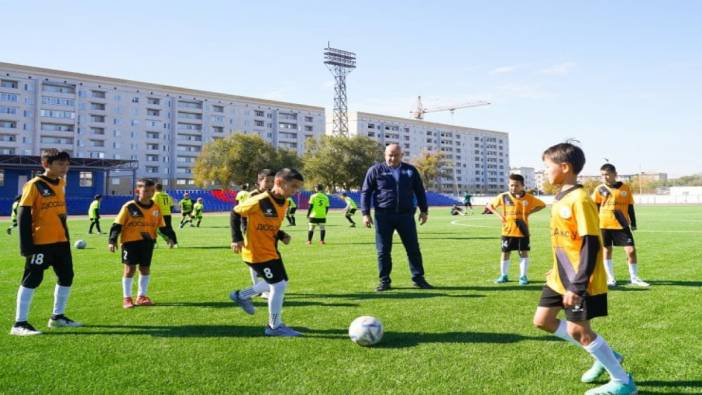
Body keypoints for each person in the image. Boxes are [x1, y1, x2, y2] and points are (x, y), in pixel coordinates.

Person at [533, 142, 637, 395]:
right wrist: (555, 269)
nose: (546, 172)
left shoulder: (580, 199)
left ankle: (623, 382)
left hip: (580, 280)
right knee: (543, 321)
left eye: (548, 167)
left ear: (565, 167)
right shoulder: (561, 198)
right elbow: (566, 242)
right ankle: (607, 354)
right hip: (560, 277)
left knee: (578, 330)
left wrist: (578, 285)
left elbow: (591, 244)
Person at [11, 149, 82, 336]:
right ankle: (19, 324)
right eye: (60, 164)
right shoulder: (34, 185)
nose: (64, 168)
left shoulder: (61, 183)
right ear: (46, 164)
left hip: (60, 241)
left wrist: (66, 236)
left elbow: (61, 214)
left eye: (67, 164)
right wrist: (26, 247)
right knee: (32, 280)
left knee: (67, 277)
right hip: (41, 242)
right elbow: (24, 214)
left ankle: (57, 317)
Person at [229, 168, 304, 336]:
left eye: (298, 187)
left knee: (281, 282)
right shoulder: (259, 200)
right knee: (278, 286)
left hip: (270, 250)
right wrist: (236, 238)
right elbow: (235, 212)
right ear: (279, 183)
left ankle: (241, 295)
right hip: (256, 251)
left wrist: (281, 234)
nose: (296, 191)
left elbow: (270, 227)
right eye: (293, 186)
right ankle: (274, 327)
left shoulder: (284, 203)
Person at [361, 143, 432, 292]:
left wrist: (424, 211)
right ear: (385, 155)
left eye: (396, 155)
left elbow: (420, 191)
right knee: (383, 251)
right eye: (390, 155)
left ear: (401, 155)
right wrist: (365, 213)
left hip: (406, 216)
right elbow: (366, 192)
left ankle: (418, 279)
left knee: (413, 248)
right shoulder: (375, 170)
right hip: (383, 216)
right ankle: (384, 281)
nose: (392, 158)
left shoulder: (410, 170)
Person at [109, 178, 176, 309]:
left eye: (152, 191)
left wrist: (169, 238)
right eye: (146, 190)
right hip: (130, 242)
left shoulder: (156, 207)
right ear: (137, 190)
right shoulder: (129, 206)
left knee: (145, 269)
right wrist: (112, 240)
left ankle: (141, 296)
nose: (150, 193)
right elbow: (117, 224)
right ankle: (127, 298)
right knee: (130, 269)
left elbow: (162, 226)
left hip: (148, 242)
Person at [592, 164, 649, 287]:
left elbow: (630, 206)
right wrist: (593, 224)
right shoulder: (599, 189)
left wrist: (633, 223)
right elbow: (595, 208)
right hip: (604, 224)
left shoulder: (625, 188)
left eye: (607, 174)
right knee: (606, 251)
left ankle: (634, 278)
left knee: (631, 251)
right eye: (602, 175)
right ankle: (611, 279)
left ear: (615, 174)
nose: (604, 177)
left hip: (621, 224)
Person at [486, 174, 545, 285]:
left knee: (524, 253)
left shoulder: (529, 198)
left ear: (522, 186)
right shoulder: (503, 196)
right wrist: (500, 216)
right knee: (505, 253)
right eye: (511, 185)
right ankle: (503, 275)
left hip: (522, 231)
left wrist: (529, 212)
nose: (513, 188)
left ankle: (523, 277)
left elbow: (542, 205)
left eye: (517, 185)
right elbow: (490, 206)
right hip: (507, 231)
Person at [152, 183, 178, 247]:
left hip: (159, 214)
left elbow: (153, 204)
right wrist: (169, 212)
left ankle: (156, 243)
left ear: (155, 188)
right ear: (161, 188)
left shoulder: (156, 195)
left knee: (158, 229)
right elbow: (171, 205)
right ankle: (175, 243)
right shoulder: (166, 195)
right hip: (167, 214)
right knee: (169, 228)